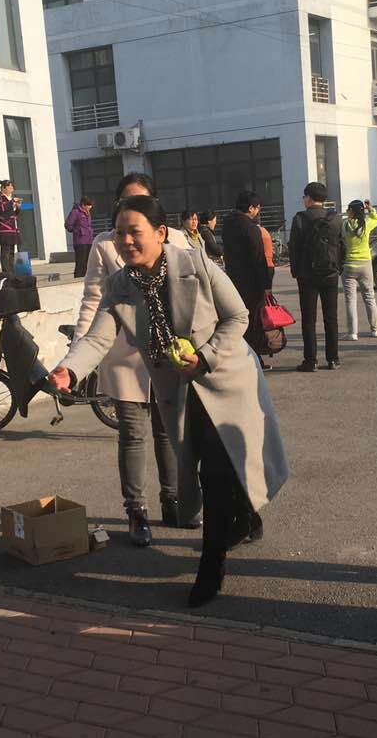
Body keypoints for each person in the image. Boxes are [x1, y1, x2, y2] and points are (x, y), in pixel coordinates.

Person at [51, 196, 288, 607]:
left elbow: (238, 316)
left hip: (227, 379)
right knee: (211, 467)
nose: (125, 241)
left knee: (218, 470)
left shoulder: (197, 263)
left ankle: (210, 569)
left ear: (161, 233)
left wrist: (205, 356)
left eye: (134, 232)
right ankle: (246, 519)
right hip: (178, 391)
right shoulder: (120, 286)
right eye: (119, 233)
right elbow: (98, 339)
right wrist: (69, 370)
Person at [74, 172, 195, 546]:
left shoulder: (178, 240)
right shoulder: (104, 245)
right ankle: (136, 511)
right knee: (132, 434)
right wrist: (78, 356)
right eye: (125, 202)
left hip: (169, 355)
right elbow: (93, 299)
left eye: (141, 201)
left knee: (168, 430)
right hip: (124, 353)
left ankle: (174, 501)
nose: (132, 209)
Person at [288, 182, 344, 371]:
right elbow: (342, 246)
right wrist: (338, 267)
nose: (304, 200)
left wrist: (296, 271)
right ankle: (333, 359)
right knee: (331, 317)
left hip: (307, 275)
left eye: (304, 196)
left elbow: (293, 248)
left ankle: (310, 360)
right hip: (330, 273)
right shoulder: (336, 219)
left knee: (309, 319)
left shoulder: (300, 219)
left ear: (309, 198)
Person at [221, 191, 274, 367]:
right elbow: (259, 258)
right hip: (251, 282)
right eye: (257, 208)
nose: (258, 211)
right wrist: (266, 284)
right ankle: (254, 358)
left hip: (233, 279)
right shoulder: (250, 228)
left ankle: (242, 357)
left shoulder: (227, 224)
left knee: (238, 319)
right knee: (253, 322)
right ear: (251, 208)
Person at [342, 199, 377, 340]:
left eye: (348, 210)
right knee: (369, 297)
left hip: (349, 265)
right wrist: (370, 208)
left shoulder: (345, 225)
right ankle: (376, 330)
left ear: (351, 212)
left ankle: (352, 333)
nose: (347, 212)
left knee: (350, 300)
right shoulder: (367, 223)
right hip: (365, 264)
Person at [0, 180, 22, 275]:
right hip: (4, 228)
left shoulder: (10, 197)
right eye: (10, 187)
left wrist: (18, 207)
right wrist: (12, 202)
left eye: (12, 186)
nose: (12, 188)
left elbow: (14, 214)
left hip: (12, 228)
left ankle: (11, 272)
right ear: (4, 188)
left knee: (12, 251)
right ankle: (6, 272)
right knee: (5, 251)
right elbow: (1, 208)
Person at [66, 196, 95, 278]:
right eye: (88, 205)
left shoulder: (87, 212)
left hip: (89, 240)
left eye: (90, 205)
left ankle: (85, 277)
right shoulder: (75, 212)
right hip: (80, 242)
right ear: (83, 204)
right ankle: (78, 277)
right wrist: (77, 231)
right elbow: (68, 224)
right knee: (80, 261)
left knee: (87, 261)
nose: (90, 207)